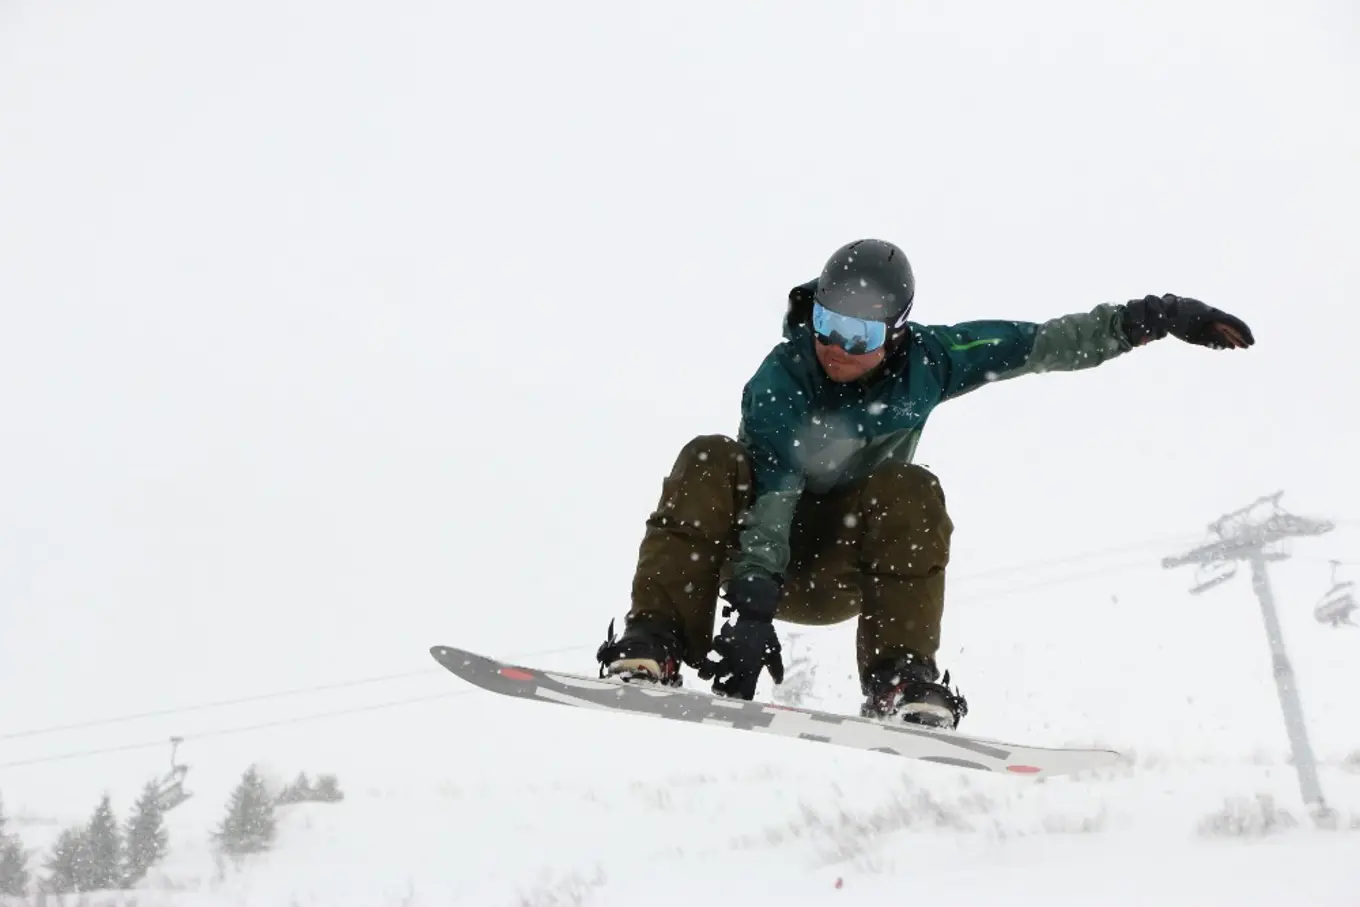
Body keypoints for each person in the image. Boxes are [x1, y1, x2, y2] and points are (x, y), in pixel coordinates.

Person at [595, 239, 1254, 729]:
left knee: (911, 487)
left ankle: (899, 677)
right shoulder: (782, 378)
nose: (838, 347)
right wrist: (749, 605)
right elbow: (773, 490)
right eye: (828, 324)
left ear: (898, 331)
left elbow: (1049, 342)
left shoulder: (933, 362)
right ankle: (656, 642)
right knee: (709, 457)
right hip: (758, 559)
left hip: (848, 565)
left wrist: (1156, 316)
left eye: (860, 333)